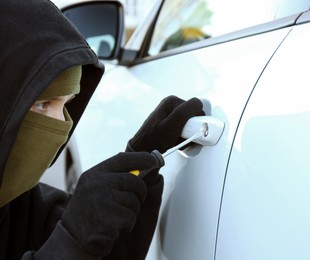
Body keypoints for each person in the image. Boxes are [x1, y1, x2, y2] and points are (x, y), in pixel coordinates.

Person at [0, 0, 204, 259]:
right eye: (42, 104)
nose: (61, 123)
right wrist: (70, 242)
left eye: (66, 105)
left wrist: (139, 171)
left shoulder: (22, 204)